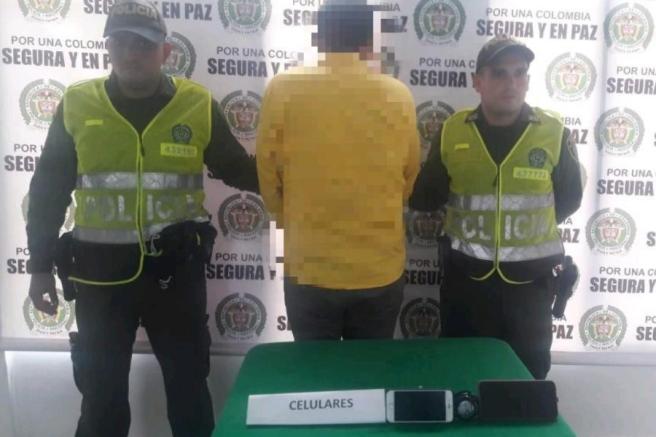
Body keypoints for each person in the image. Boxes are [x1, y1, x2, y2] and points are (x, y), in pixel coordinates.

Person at [25, 1, 258, 436]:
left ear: (165, 52)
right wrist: (38, 267)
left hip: (175, 277)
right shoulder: (77, 103)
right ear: (107, 47)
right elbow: (47, 192)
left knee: (190, 395)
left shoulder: (196, 103)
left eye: (144, 45)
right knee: (101, 400)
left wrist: (301, 182)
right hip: (99, 279)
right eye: (121, 43)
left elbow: (237, 169)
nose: (132, 54)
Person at [409, 35, 582, 379]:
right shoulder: (453, 130)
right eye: (499, 73)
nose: (511, 83)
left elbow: (569, 200)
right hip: (466, 285)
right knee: (462, 376)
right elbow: (426, 197)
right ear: (478, 81)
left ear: (528, 81)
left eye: (519, 73)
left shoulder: (554, 132)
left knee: (526, 380)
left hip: (530, 289)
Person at [256, 0, 420, 340]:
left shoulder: (283, 88)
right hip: (378, 269)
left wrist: (289, 219)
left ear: (319, 40)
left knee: (316, 371)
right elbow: (409, 176)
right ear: (370, 43)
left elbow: (268, 176)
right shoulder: (398, 95)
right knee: (368, 369)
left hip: (310, 267)